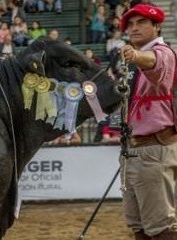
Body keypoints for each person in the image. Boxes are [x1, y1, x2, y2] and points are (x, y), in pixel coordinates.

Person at [119, 4, 177, 240]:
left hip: (154, 147)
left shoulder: (163, 52)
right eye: (130, 24)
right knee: (139, 226)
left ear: (157, 26)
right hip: (133, 149)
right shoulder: (129, 64)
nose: (134, 28)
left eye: (141, 22)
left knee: (161, 226)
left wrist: (135, 55)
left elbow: (153, 62)